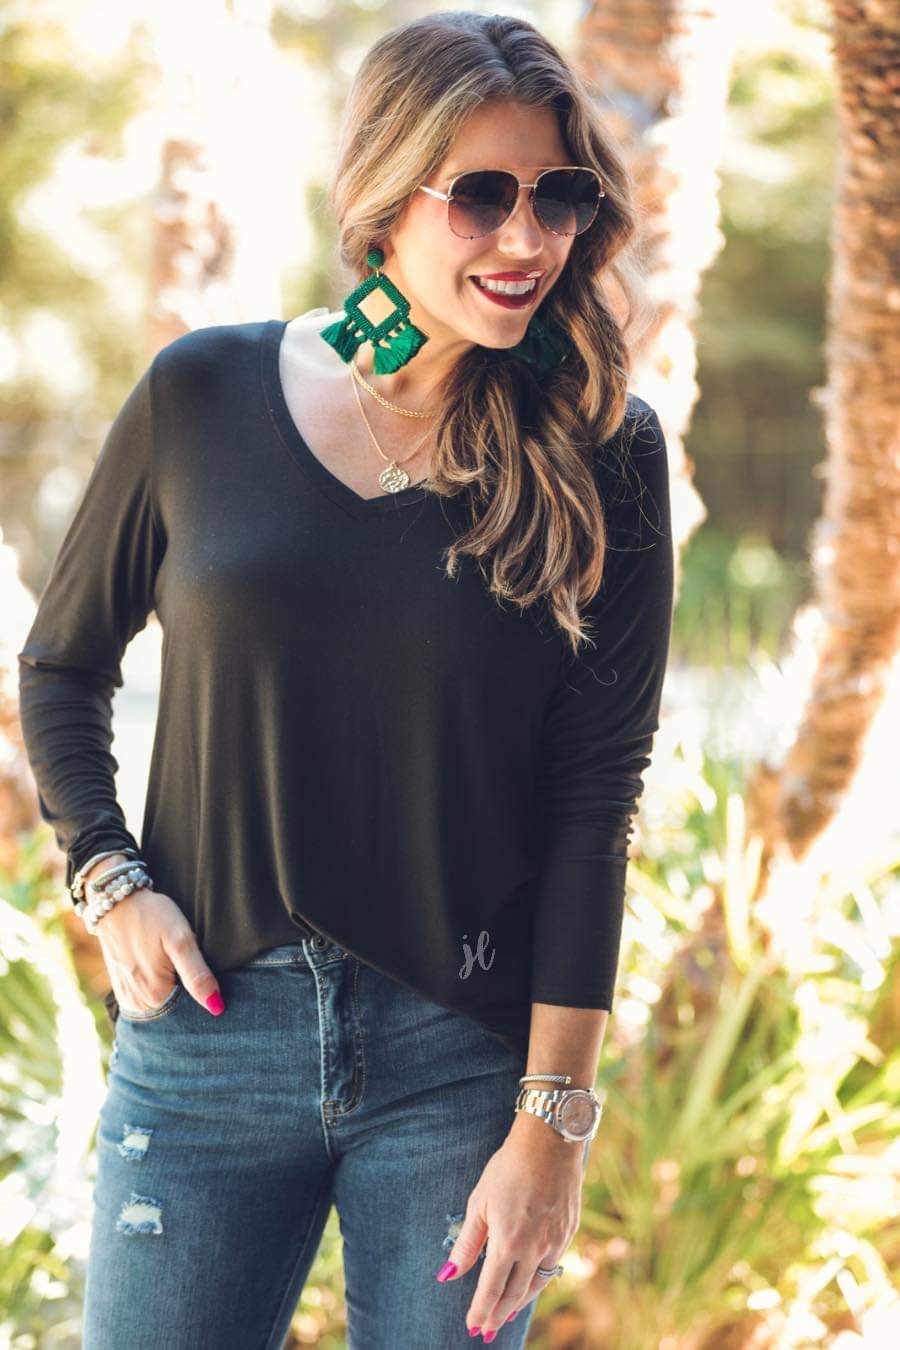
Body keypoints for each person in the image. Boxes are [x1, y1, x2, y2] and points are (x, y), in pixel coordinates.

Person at [17, 10, 674, 1348]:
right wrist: (108, 875)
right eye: (481, 195)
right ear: (384, 196)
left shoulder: (600, 448)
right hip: (207, 1039)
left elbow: (595, 802)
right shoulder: (202, 396)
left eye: (558, 196)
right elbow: (64, 663)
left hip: (461, 1066)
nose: (527, 239)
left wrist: (552, 1125)